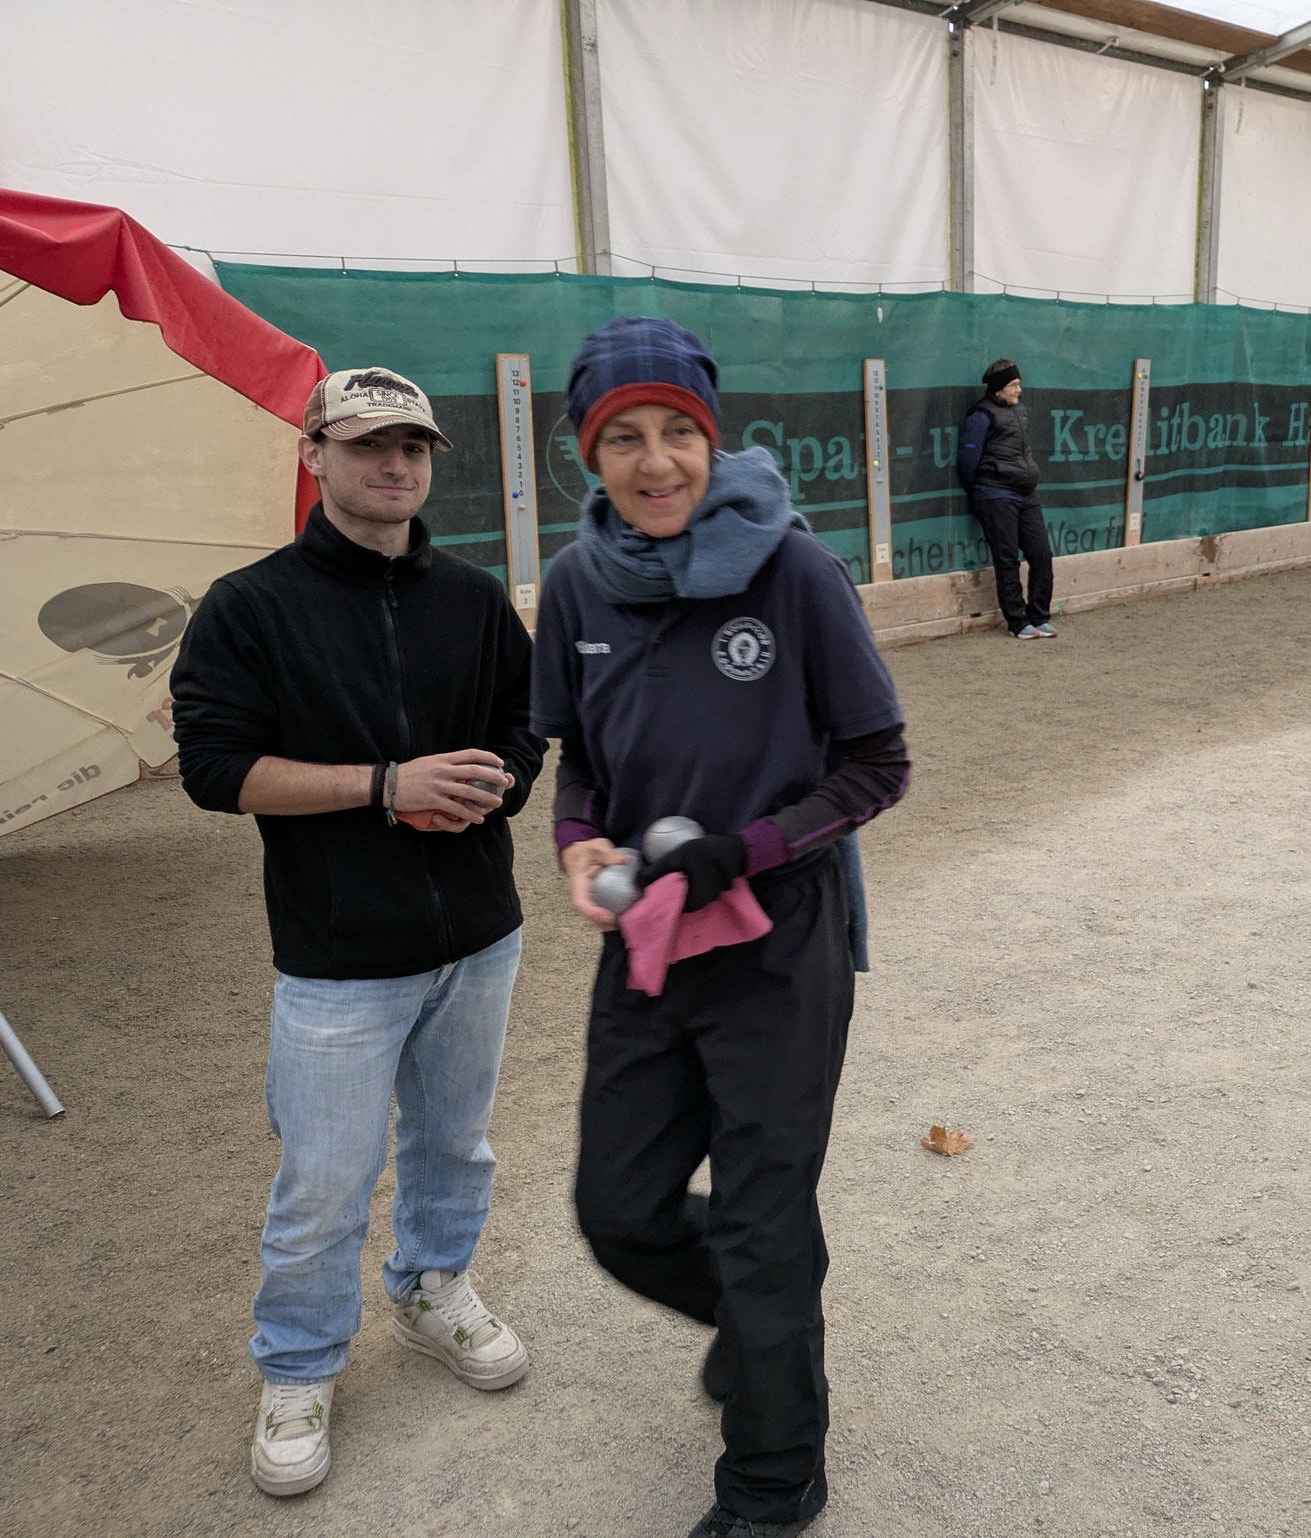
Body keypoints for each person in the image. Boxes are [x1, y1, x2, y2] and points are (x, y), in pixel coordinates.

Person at [533, 317, 911, 1538]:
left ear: (712, 437)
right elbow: (580, 762)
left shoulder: (794, 570)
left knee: (760, 1220)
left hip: (776, 939)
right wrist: (577, 838)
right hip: (647, 937)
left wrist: (743, 849)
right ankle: (757, 1337)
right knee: (619, 1208)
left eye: (677, 434)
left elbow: (876, 766)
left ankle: (772, 1479)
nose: (655, 463)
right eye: (623, 439)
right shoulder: (576, 580)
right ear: (587, 455)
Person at [171, 367, 545, 1498]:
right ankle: (297, 1366)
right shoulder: (249, 605)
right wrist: (385, 785)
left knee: (455, 1146)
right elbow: (215, 769)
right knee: (325, 1180)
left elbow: (523, 724)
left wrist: (491, 784)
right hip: (339, 957)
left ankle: (432, 1288)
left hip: (478, 935)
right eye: (368, 444)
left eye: (413, 447)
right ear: (313, 455)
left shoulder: (473, 597)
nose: (395, 465)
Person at [957, 357, 1056, 639]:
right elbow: (967, 462)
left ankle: (1039, 616)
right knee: (1007, 559)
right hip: (995, 495)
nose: (1018, 390)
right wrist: (983, 492)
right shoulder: (980, 416)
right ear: (998, 388)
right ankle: (1018, 622)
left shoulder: (1020, 411)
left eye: (1019, 383)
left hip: (1027, 494)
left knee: (1042, 554)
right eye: (1013, 384)